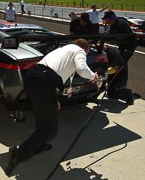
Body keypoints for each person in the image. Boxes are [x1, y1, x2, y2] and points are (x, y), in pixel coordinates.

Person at [5, 39, 99, 176]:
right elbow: (82, 69)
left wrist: (54, 99)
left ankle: (38, 144)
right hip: (43, 83)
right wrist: (93, 76)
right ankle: (18, 154)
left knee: (44, 122)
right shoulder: (78, 50)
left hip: (33, 79)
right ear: (85, 49)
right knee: (49, 130)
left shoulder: (62, 50)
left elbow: (54, 72)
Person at [102, 10, 137, 88]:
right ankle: (116, 83)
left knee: (122, 63)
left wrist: (114, 39)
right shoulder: (112, 25)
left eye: (107, 19)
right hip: (122, 46)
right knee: (118, 62)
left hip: (129, 46)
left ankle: (123, 84)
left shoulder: (122, 24)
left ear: (112, 17)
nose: (106, 21)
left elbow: (126, 36)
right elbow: (111, 35)